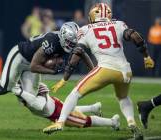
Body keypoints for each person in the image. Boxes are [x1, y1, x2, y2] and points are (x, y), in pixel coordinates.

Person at [43, 3, 154, 140]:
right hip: (125, 71)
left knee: (75, 93)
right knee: (123, 97)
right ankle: (132, 123)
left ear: (92, 16)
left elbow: (78, 52)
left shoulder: (86, 29)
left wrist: (64, 78)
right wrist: (146, 56)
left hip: (105, 69)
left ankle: (60, 122)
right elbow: (135, 36)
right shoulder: (118, 24)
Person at [0, 22, 92, 115]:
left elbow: (81, 52)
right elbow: (34, 66)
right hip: (21, 56)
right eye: (70, 42)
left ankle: (15, 84)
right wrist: (53, 71)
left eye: (73, 42)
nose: (71, 45)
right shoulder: (52, 42)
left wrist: (94, 71)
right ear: (63, 36)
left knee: (29, 100)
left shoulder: (68, 43)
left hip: (34, 64)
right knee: (6, 86)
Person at [10, 82, 120, 130]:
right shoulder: (29, 89)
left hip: (55, 112)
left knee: (85, 122)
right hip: (54, 105)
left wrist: (20, 92)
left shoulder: (32, 91)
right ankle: (93, 108)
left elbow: (39, 105)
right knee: (70, 110)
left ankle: (113, 122)